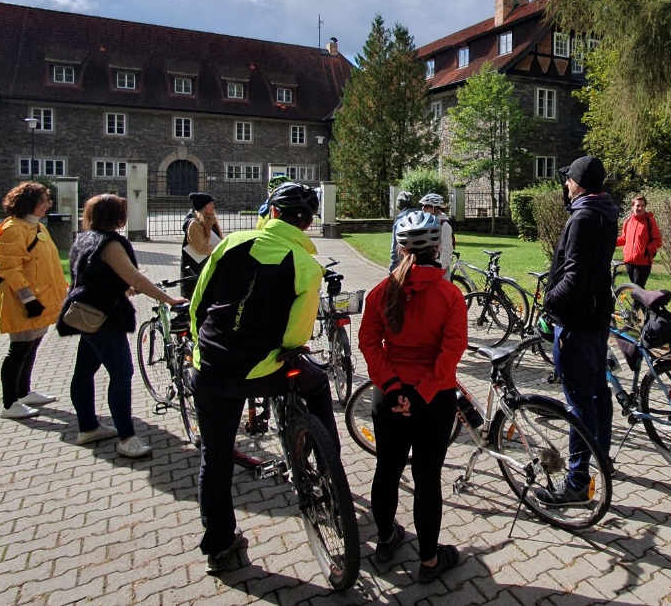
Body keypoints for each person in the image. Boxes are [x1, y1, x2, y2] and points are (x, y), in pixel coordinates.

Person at [189, 181, 339, 574]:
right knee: (318, 383)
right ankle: (328, 467)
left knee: (215, 456)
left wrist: (201, 343)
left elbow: (199, 301)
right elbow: (296, 337)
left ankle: (220, 543)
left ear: (272, 212)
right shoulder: (306, 265)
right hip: (264, 369)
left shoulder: (232, 243)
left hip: (212, 365)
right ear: (308, 224)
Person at [359, 210, 467, 584]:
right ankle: (430, 560)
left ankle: (385, 540)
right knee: (427, 478)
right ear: (437, 247)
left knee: (387, 469)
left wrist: (393, 388)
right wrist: (422, 394)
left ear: (401, 247)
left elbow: (369, 343)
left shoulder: (380, 291)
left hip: (389, 395)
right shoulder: (451, 295)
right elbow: (453, 349)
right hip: (433, 399)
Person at [57, 194, 186, 458]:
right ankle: (127, 438)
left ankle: (88, 427)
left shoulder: (84, 238)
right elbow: (136, 279)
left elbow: (93, 275)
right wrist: (170, 300)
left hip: (85, 313)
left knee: (84, 372)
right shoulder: (110, 243)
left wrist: (122, 287)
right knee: (121, 373)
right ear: (116, 216)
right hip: (105, 317)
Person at [539, 155, 619, 505]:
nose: (566, 184)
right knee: (598, 392)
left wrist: (549, 301)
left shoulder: (583, 218)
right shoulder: (605, 211)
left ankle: (576, 481)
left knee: (579, 403)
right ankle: (602, 457)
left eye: (569, 180)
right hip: (597, 316)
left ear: (578, 184)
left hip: (577, 321)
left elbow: (574, 277)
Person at [0, 182, 68, 419]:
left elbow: (50, 266)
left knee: (32, 346)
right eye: (42, 201)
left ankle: (23, 392)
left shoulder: (38, 227)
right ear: (29, 203)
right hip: (24, 302)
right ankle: (10, 404)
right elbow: (9, 268)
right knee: (18, 350)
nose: (47, 205)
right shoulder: (14, 229)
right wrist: (28, 300)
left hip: (41, 300)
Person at [180, 192, 223, 298]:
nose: (213, 206)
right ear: (203, 207)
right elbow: (201, 248)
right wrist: (222, 248)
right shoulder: (195, 224)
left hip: (208, 266)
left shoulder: (211, 220)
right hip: (195, 270)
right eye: (210, 204)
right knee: (195, 297)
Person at [616, 194, 662, 288]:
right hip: (629, 261)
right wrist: (609, 242)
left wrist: (646, 250)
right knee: (635, 288)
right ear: (632, 207)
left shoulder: (650, 221)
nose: (640, 208)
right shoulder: (628, 221)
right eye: (637, 205)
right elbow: (624, 238)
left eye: (642, 205)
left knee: (638, 288)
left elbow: (658, 241)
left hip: (643, 262)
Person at [419, 193, 453, 280]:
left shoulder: (444, 225)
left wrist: (441, 268)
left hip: (438, 267)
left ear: (435, 208)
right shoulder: (425, 222)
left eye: (426, 206)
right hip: (425, 266)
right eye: (422, 206)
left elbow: (447, 249)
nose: (423, 208)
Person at [389, 190, 417, 272]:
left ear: (398, 205)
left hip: (403, 265)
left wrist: (392, 270)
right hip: (419, 266)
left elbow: (395, 249)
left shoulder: (400, 222)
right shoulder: (420, 217)